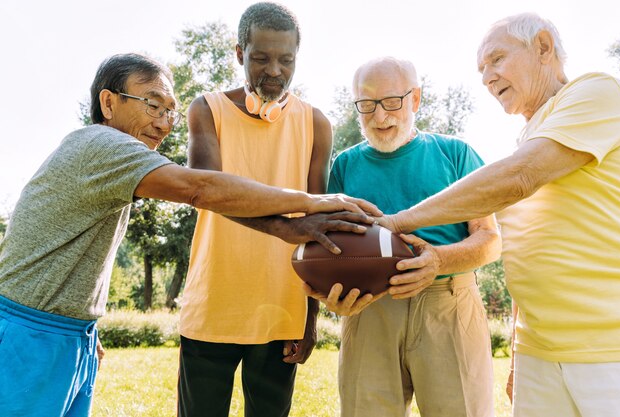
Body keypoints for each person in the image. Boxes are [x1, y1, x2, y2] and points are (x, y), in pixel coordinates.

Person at [0, 52, 379, 417]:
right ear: (109, 102)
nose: (164, 123)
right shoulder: (102, 145)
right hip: (27, 331)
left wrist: (84, 326)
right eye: (152, 105)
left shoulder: (114, 161)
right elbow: (201, 189)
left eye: (170, 111)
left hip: (66, 332)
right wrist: (312, 203)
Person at [377, 13, 620, 417]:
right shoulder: (528, 137)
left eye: (496, 60)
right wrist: (516, 350)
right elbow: (527, 253)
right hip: (539, 353)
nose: (486, 77)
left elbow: (519, 177)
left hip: (609, 352)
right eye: (481, 69)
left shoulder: (598, 92)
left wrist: (398, 221)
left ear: (543, 47)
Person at [307, 56, 502, 417]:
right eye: (367, 105)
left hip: (447, 304)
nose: (380, 117)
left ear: (415, 100)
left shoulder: (456, 154)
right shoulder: (345, 166)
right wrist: (329, 292)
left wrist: (440, 260)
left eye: (391, 102)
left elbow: (490, 240)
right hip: (368, 309)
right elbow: (328, 246)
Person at [176, 3, 339, 417]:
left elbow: (316, 229)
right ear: (239, 54)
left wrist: (310, 316)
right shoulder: (206, 110)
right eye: (261, 58)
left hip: (282, 308)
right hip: (213, 303)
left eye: (286, 60)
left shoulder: (316, 123)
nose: (274, 71)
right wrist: (281, 227)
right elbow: (206, 191)